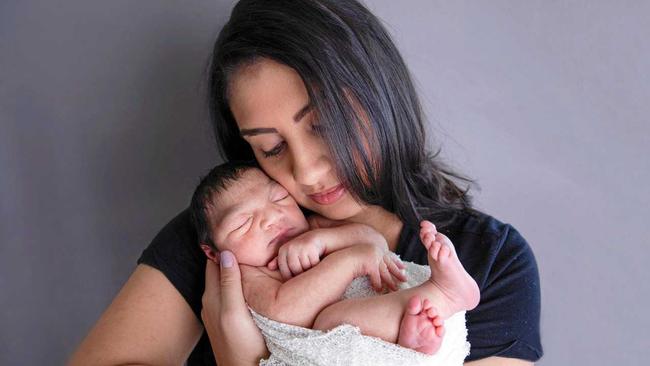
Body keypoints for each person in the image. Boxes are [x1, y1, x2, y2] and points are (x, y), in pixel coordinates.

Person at [68, 0, 543, 365]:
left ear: (378, 91)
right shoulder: (230, 238)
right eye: (271, 148)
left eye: (322, 125)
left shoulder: (489, 259)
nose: (308, 172)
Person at [189, 161, 481, 356]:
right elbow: (286, 313)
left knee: (381, 290)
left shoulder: (313, 228)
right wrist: (350, 261)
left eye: (279, 199)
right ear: (213, 252)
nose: (272, 219)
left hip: (399, 302)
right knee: (332, 320)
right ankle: (437, 301)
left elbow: (375, 244)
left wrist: (324, 240)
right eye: (243, 224)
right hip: (345, 349)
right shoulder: (250, 275)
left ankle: (436, 300)